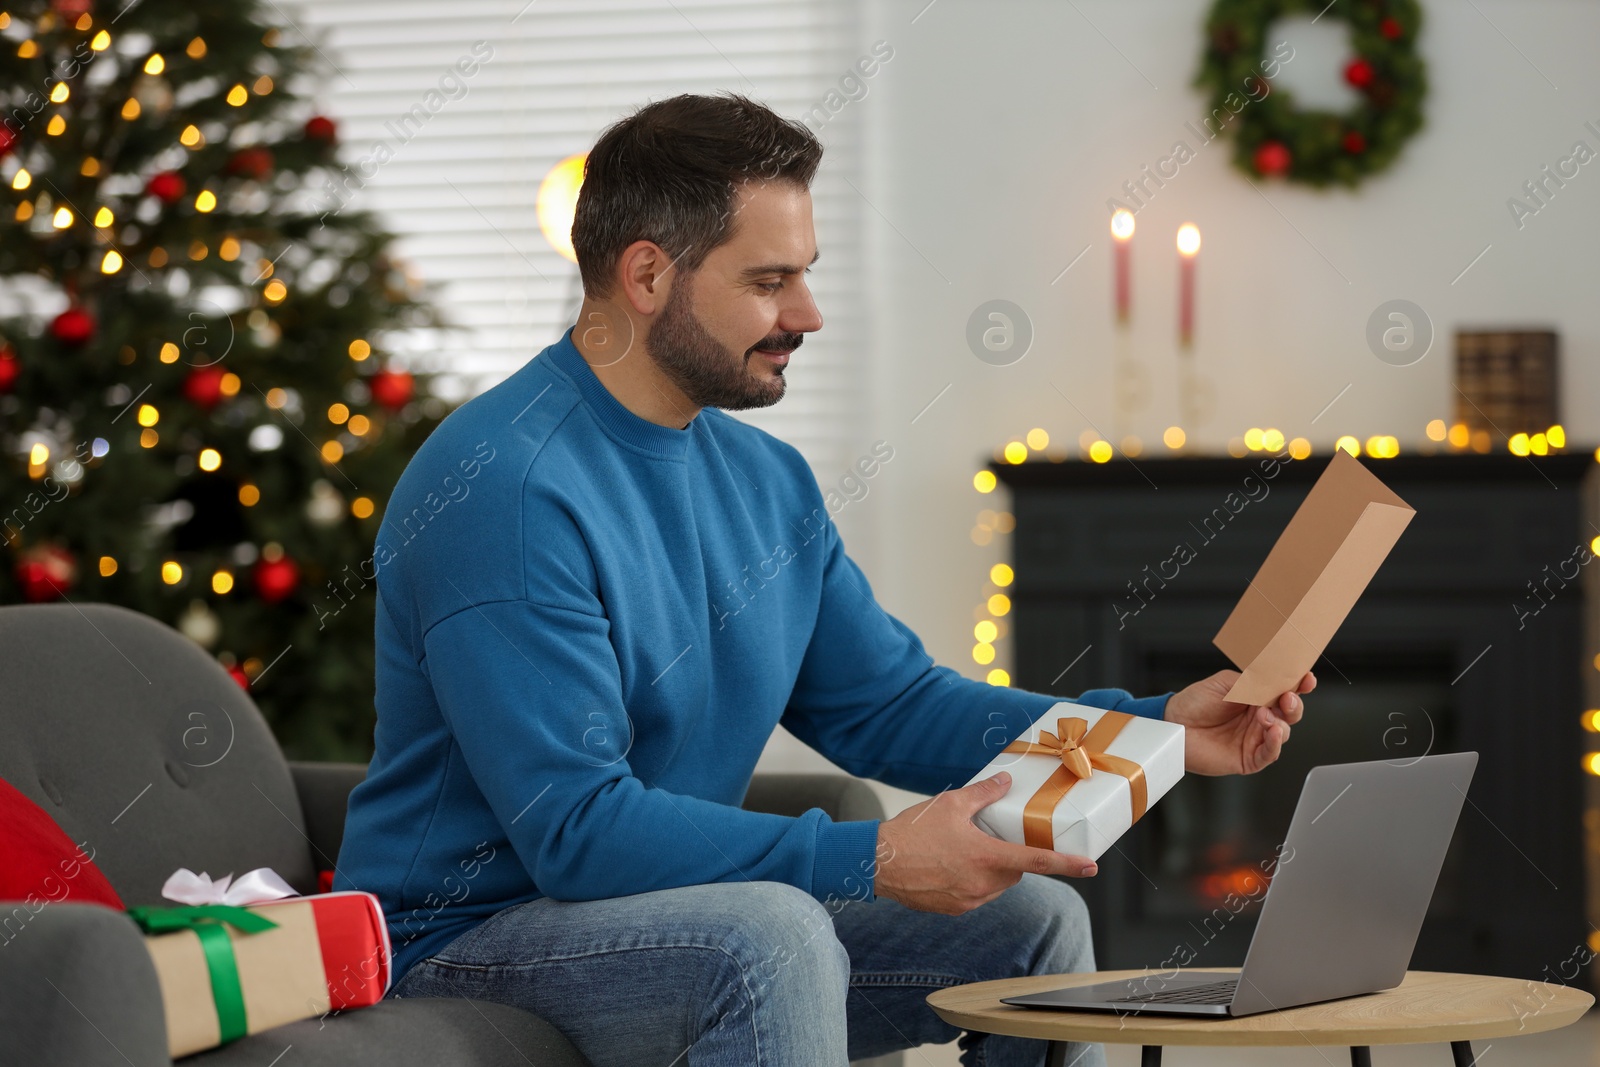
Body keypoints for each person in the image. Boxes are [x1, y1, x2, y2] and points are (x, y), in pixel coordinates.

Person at [332, 91, 1314, 1067]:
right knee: (769, 936)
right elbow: (577, 830)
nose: (805, 313)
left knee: (1033, 927)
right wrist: (876, 855)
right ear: (645, 274)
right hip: (460, 942)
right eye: (768, 281)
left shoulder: (764, 479)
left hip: (651, 914)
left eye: (803, 274)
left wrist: (1154, 732)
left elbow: (891, 705)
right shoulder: (504, 487)